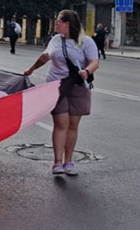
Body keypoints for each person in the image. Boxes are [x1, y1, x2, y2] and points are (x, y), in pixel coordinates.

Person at [23, 10, 99, 176]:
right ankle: (57, 162)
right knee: (61, 123)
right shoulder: (56, 40)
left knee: (72, 124)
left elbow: (94, 61)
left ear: (67, 24)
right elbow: (45, 57)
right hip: (56, 86)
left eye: (58, 21)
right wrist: (31, 69)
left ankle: (68, 161)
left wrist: (86, 71)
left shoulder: (85, 42)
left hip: (78, 86)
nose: (55, 24)